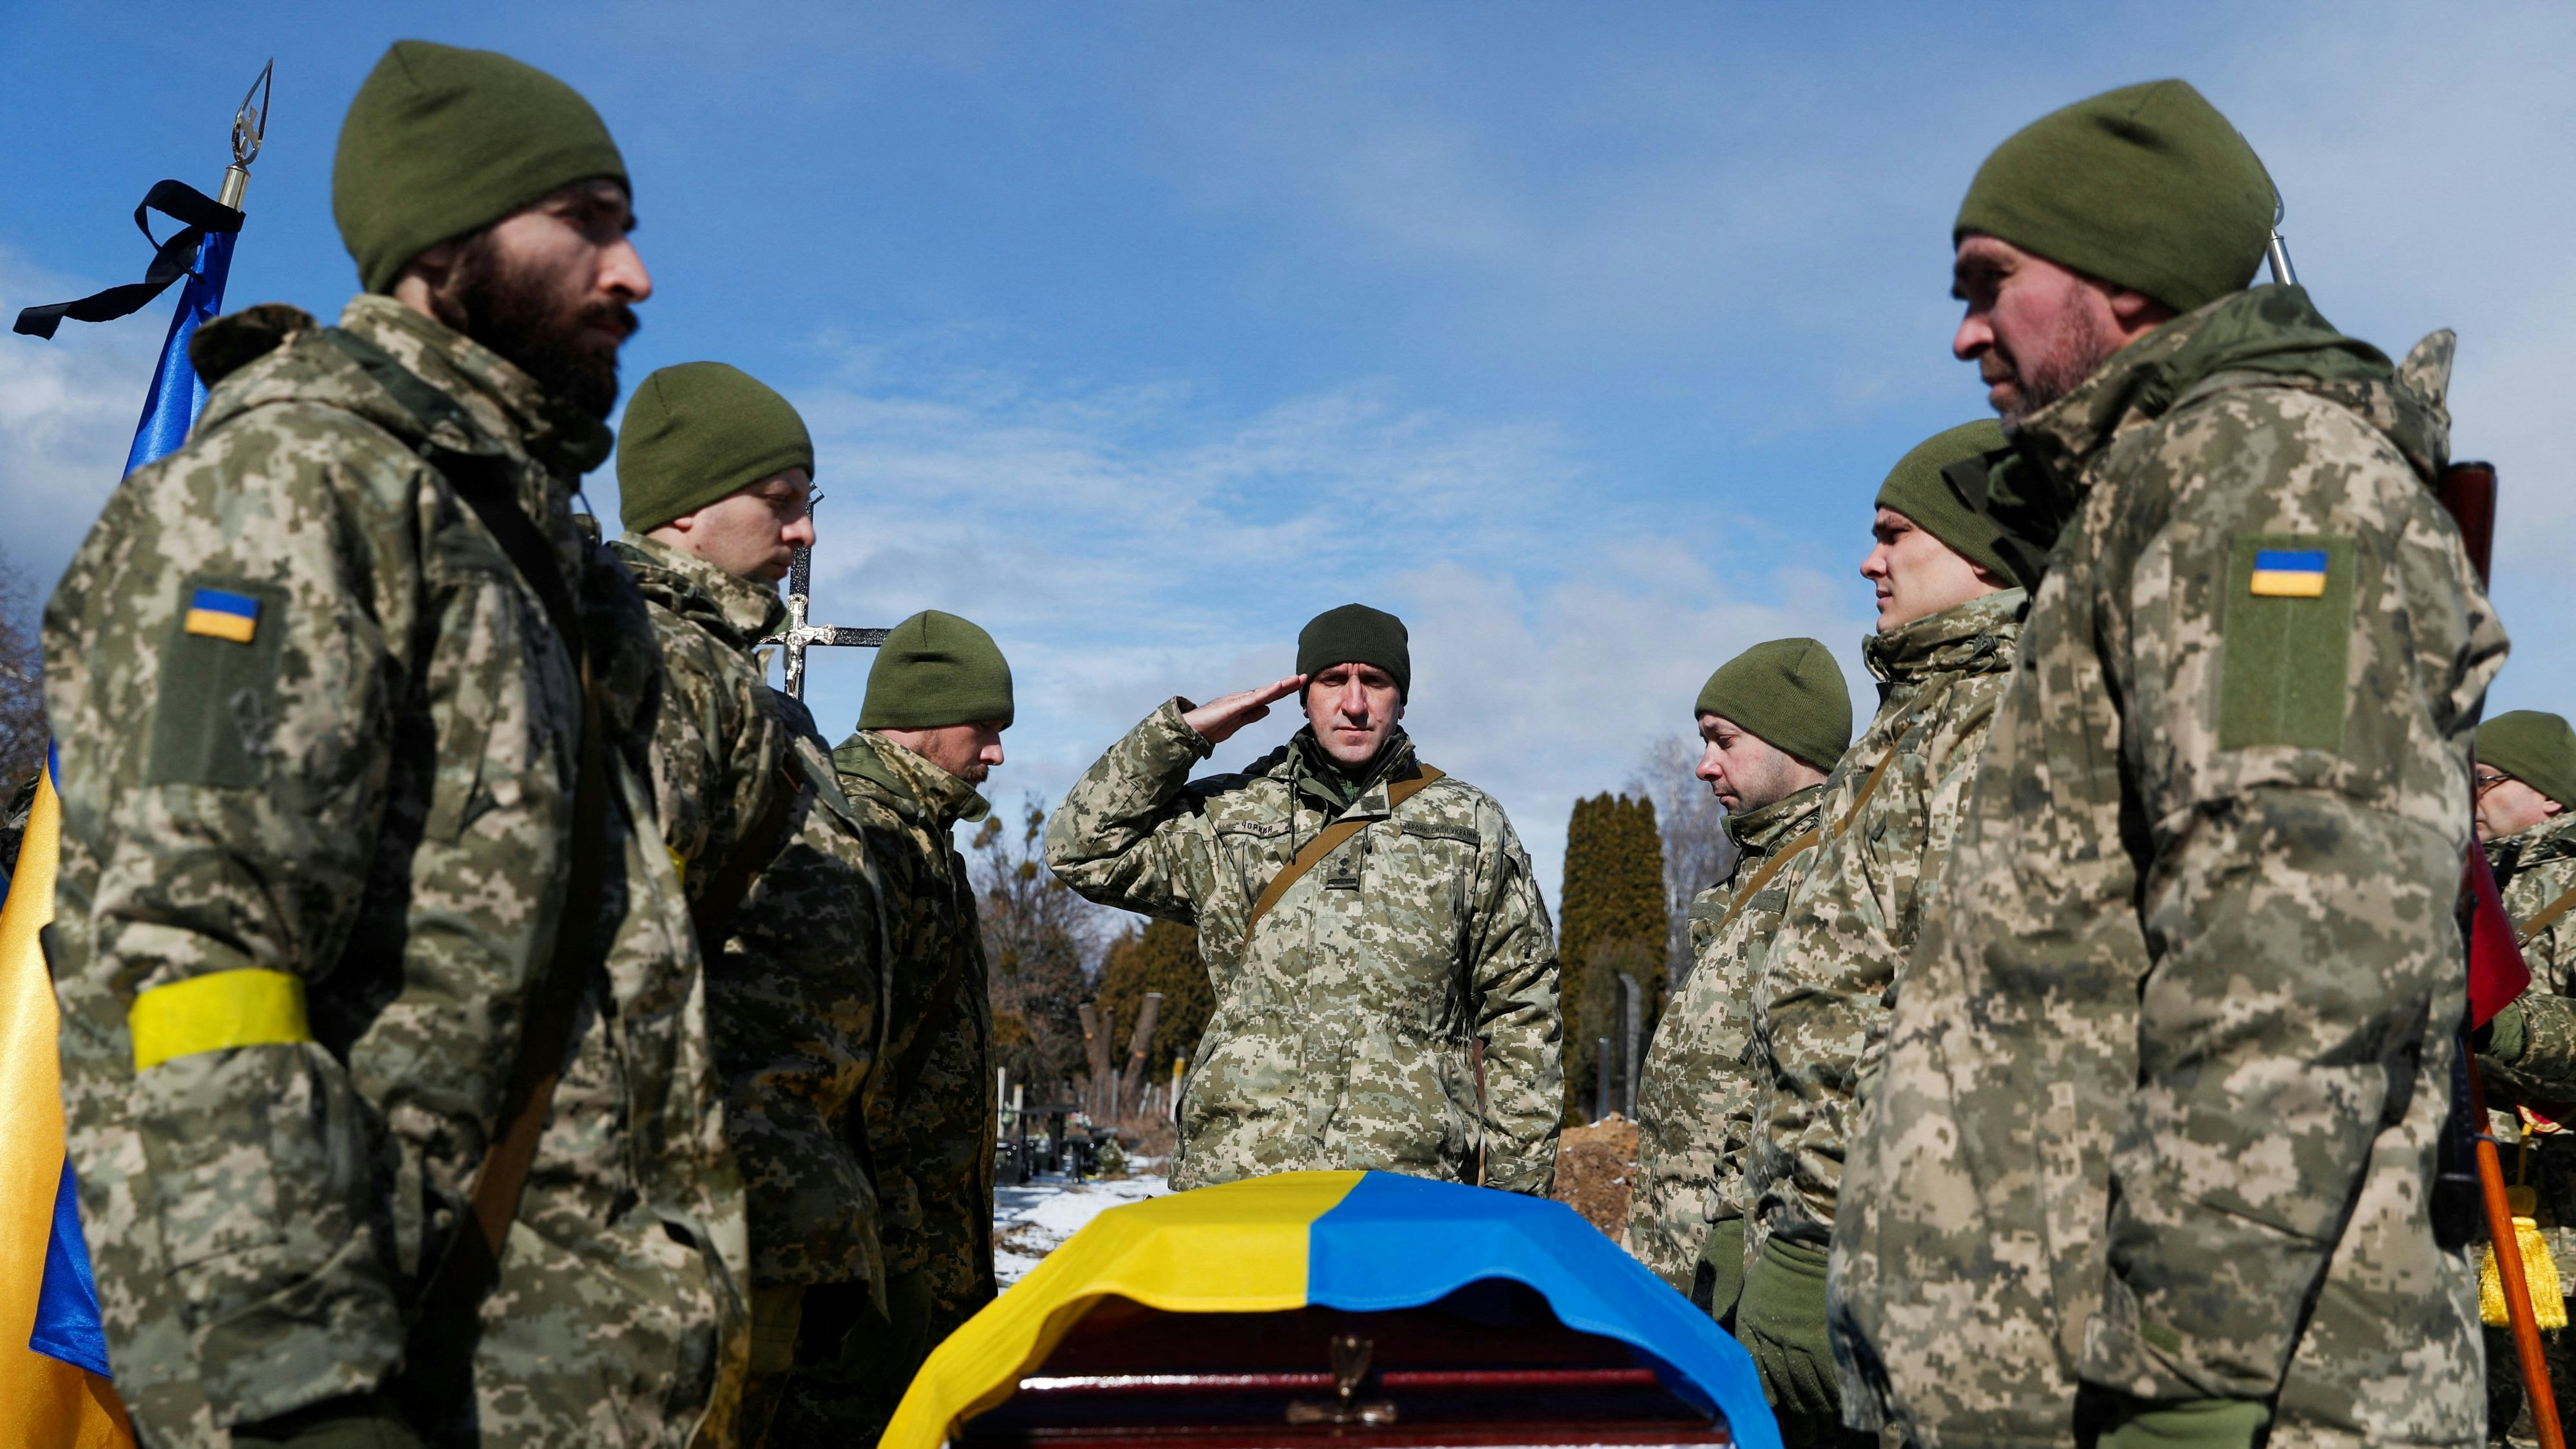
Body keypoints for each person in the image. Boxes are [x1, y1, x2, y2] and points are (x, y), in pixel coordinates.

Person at [40, 41, 744, 1449]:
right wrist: (305, 1400)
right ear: (447, 244)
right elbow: (185, 975)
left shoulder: (515, 546)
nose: (635, 276)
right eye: (587, 222)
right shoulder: (290, 495)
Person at [1830, 79, 2508, 1449]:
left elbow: (2291, 939)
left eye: (1989, 282)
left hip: (2240, 1404)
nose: (1963, 330)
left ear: (2124, 279)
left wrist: (2181, 1391)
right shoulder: (2158, 492)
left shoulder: (2267, 485)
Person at [610, 362, 894, 1443]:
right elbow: (611, 956)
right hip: (672, 1228)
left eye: (806, 506)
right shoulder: (650, 664)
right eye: (780, 503)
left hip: (764, 1209)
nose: (803, 534)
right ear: (687, 507)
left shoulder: (731, 680)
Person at [1045, 603, 1562, 1193]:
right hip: (1240, 1178)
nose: (1355, 703)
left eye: (1376, 681)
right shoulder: (1229, 817)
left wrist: (1518, 1207)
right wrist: (1185, 735)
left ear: (1402, 696)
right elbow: (1080, 849)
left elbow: (1523, 1014)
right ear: (1303, 692)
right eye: (1333, 680)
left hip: (1408, 1186)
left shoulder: (1467, 826)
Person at [1734, 422, 2026, 1445]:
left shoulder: (2006, 720)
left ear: (1983, 547)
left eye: (1896, 532)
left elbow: (1939, 1004)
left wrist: (1817, 1226)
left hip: (1930, 1254)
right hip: (1852, 1233)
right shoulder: (1915, 721)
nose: (1870, 560)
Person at [808, 612, 1012, 1441]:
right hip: (875, 1275)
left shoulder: (923, 836)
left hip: (923, 1258)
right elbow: (848, 1073)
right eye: (985, 729)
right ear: (926, 716)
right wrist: (898, 1262)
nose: (995, 753)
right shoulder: (864, 834)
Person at [1629, 638, 1852, 1303]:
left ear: (1793, 741)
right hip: (1682, 1267)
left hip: (1748, 1276)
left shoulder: (1834, 876)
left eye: (1723, 741)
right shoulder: (1756, 877)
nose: (1703, 766)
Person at [2465, 710, 2576, 1446]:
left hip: (2560, 1225)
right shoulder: (2461, 879)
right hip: (2467, 1213)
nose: (2465, 797)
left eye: (2481, 780)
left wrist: (2502, 1027)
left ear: (2551, 797)